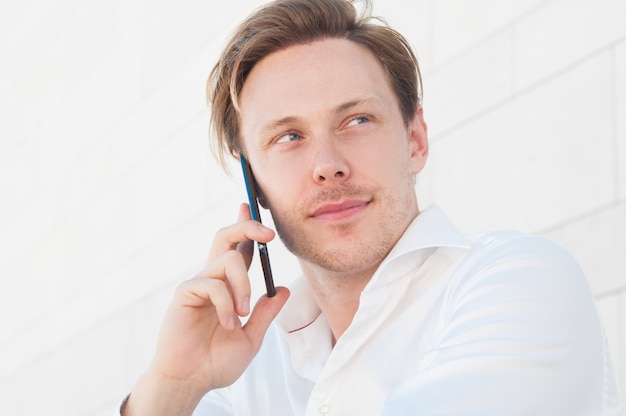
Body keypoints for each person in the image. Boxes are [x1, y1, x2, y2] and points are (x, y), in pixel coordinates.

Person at [122, 0, 621, 414]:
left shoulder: (519, 282)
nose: (328, 165)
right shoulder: (241, 370)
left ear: (415, 139)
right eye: (289, 136)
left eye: (357, 120)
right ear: (253, 181)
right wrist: (173, 386)